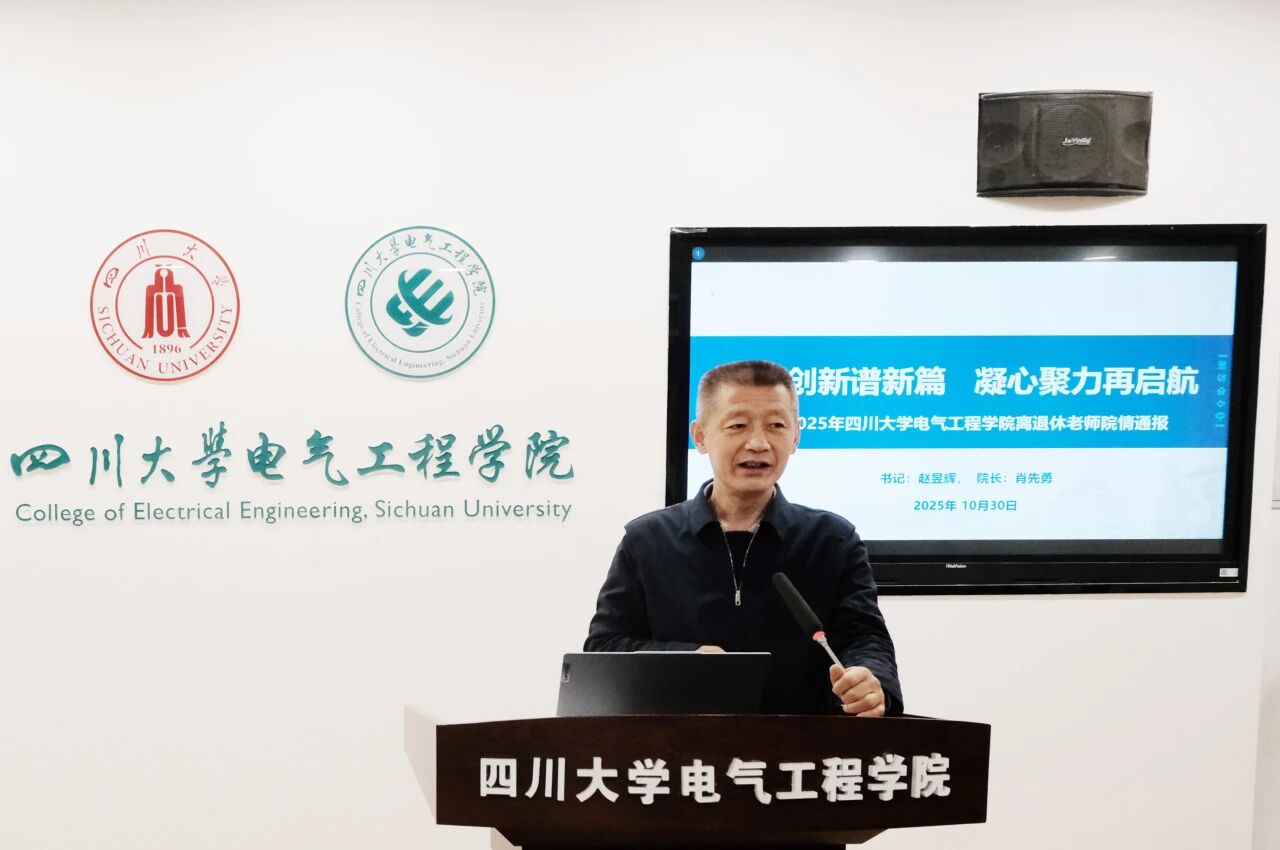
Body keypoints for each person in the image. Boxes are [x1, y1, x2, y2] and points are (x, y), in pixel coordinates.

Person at [584, 360, 903, 717]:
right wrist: (686, 658)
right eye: (738, 425)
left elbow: (865, 638)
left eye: (776, 425)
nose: (758, 443)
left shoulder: (833, 540)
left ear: (796, 436)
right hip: (679, 744)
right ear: (700, 436)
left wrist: (872, 681)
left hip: (803, 744)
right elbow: (604, 648)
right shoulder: (647, 541)